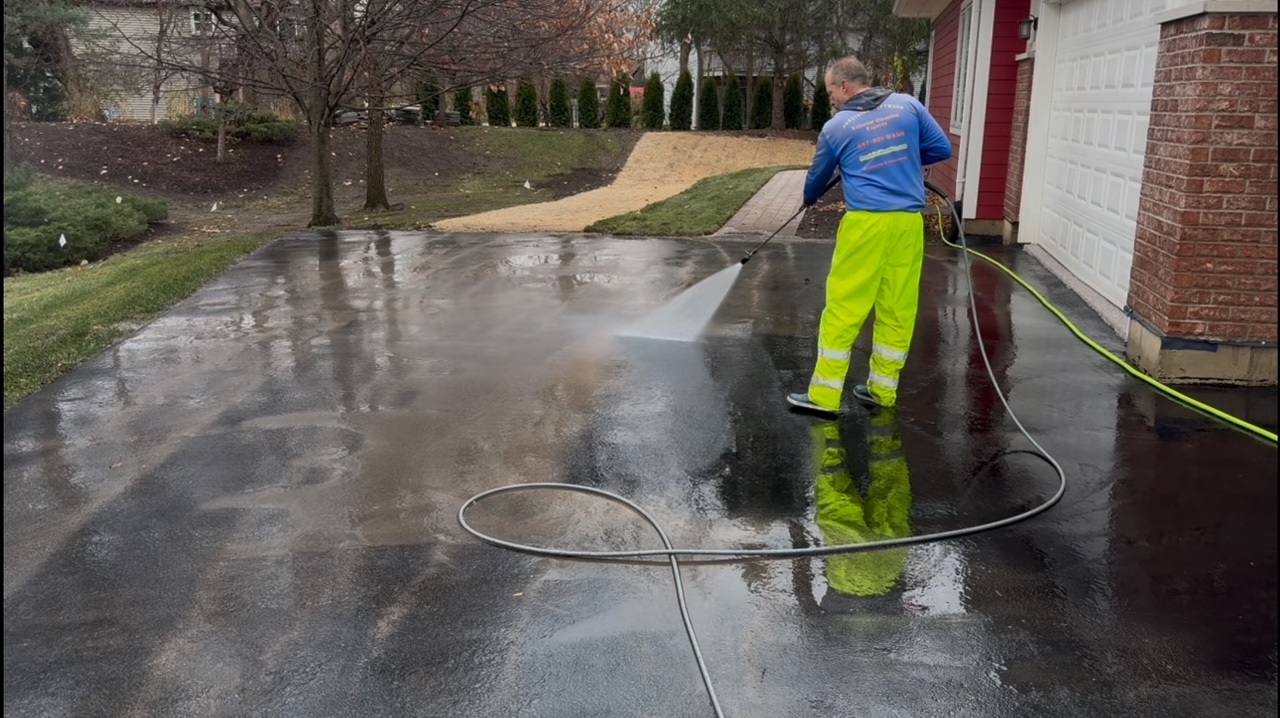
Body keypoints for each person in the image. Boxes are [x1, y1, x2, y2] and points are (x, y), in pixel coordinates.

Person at [788, 56, 952, 416]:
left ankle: (824, 397)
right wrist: (902, 155)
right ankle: (882, 390)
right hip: (908, 225)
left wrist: (809, 199)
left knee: (845, 307)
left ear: (845, 86)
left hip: (866, 225)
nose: (831, 98)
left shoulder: (837, 127)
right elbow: (942, 148)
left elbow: (816, 179)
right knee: (897, 307)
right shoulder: (907, 105)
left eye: (830, 91)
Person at [809, 411, 913, 613]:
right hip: (847, 582)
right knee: (832, 488)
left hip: (885, 575)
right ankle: (824, 423)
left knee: (891, 484)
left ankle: (881, 416)